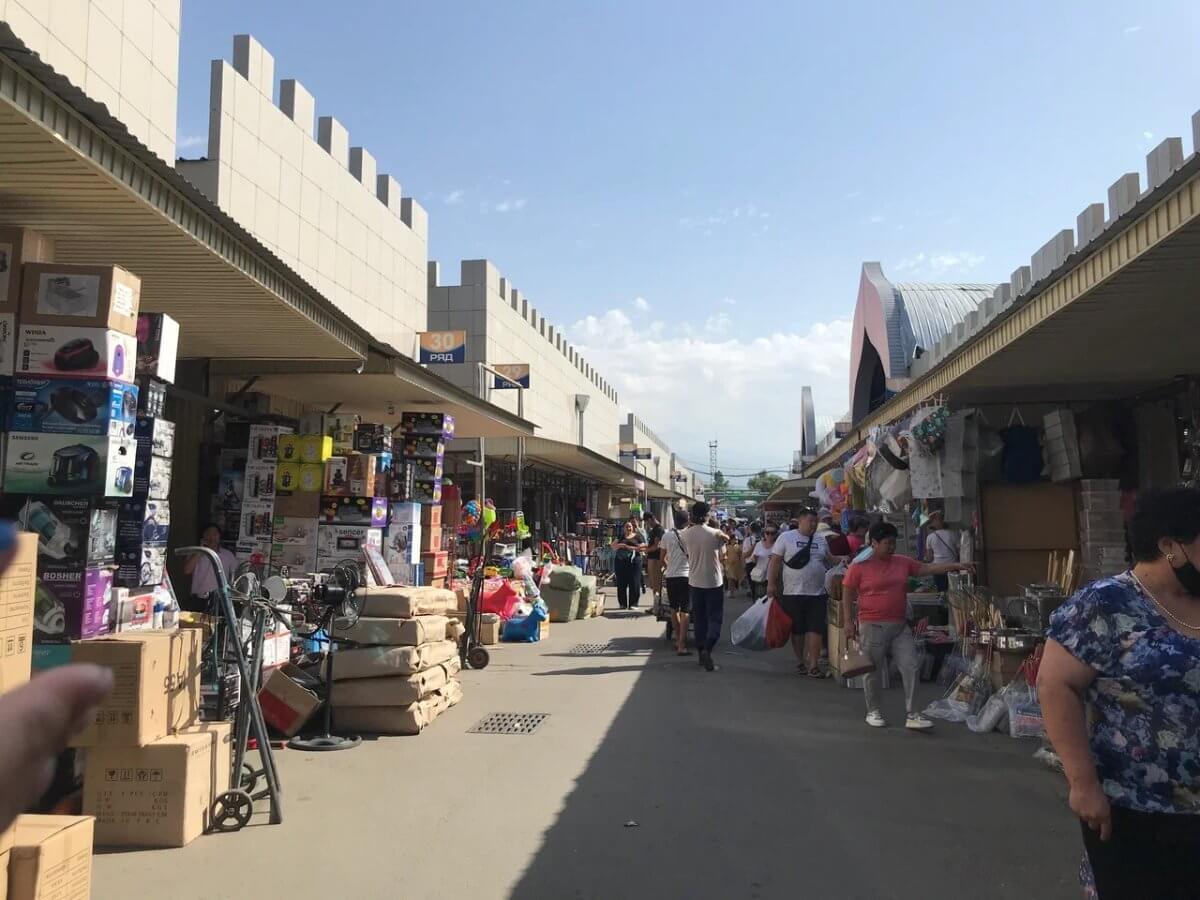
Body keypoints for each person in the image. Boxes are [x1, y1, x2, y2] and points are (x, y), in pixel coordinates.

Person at [1039, 488, 1200, 898]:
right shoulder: (1105, 605)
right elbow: (1056, 685)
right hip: (1137, 808)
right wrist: (1083, 782)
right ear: (1170, 547)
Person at [842, 521, 973, 730]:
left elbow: (927, 568)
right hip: (872, 625)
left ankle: (913, 713)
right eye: (888, 543)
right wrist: (848, 622)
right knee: (873, 670)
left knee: (911, 666)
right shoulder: (859, 566)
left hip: (900, 625)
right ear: (874, 543)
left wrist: (956, 566)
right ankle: (873, 710)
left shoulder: (902, 562)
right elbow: (847, 593)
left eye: (894, 542)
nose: (892, 546)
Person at [767, 509, 838, 677]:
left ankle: (813, 665)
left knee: (816, 628)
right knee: (797, 629)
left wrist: (845, 558)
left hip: (818, 593)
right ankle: (800, 660)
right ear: (800, 521)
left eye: (815, 521)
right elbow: (775, 562)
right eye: (810, 521)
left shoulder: (821, 540)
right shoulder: (786, 538)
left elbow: (831, 559)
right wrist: (771, 584)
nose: (813, 524)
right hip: (793, 592)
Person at [681, 501, 730, 671]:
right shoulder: (716, 534)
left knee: (700, 619)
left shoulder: (685, 535)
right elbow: (726, 542)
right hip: (714, 582)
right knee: (715, 618)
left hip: (695, 582)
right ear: (708, 515)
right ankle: (708, 649)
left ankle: (701, 650)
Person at [183, 523, 237, 612]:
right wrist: (201, 550)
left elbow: (235, 573)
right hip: (200, 599)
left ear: (219, 536)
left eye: (215, 534)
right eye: (208, 534)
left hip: (221, 599)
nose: (212, 538)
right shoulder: (195, 552)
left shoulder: (227, 555)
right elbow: (187, 570)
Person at [659, 509, 692, 655]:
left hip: (671, 576)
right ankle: (682, 645)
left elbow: (662, 559)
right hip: (687, 576)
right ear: (687, 521)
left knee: (673, 608)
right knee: (685, 610)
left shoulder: (666, 535)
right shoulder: (690, 535)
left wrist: (669, 567)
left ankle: (678, 638)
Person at [611, 520, 646, 611]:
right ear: (623, 528)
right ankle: (622, 603)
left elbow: (642, 548)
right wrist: (620, 545)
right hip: (621, 562)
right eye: (626, 526)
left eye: (630, 526)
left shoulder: (638, 536)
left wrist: (628, 547)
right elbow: (613, 546)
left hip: (634, 562)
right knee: (621, 583)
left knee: (634, 582)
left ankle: (633, 603)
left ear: (633, 527)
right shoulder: (620, 536)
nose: (628, 528)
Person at [923, 510, 959, 593]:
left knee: (942, 592)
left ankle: (943, 605)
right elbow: (959, 552)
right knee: (955, 592)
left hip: (938, 568)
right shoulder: (953, 534)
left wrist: (925, 559)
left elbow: (929, 557)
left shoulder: (930, 537)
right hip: (953, 567)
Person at [747, 523, 777, 599]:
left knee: (772, 601)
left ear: (776, 534)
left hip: (774, 577)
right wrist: (755, 557)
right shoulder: (759, 545)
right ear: (764, 534)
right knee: (760, 600)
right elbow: (753, 560)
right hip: (761, 577)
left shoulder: (778, 545)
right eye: (767, 533)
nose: (770, 535)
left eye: (772, 533)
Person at [643, 511, 665, 611]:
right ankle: (656, 606)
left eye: (647, 522)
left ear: (650, 519)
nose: (647, 525)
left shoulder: (658, 530)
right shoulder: (655, 530)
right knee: (654, 584)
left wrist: (645, 550)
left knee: (656, 584)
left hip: (656, 559)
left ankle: (657, 607)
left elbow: (656, 546)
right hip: (653, 559)